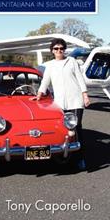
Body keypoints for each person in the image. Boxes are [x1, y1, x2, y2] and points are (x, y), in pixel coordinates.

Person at [37, 38, 90, 170]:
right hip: (60, 103)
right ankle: (63, 155)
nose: (59, 51)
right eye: (56, 49)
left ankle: (80, 158)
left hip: (76, 100)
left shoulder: (71, 61)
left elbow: (80, 78)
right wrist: (38, 95)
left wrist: (85, 94)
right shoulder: (50, 65)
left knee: (76, 128)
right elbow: (45, 82)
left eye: (61, 48)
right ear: (52, 50)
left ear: (64, 50)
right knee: (64, 130)